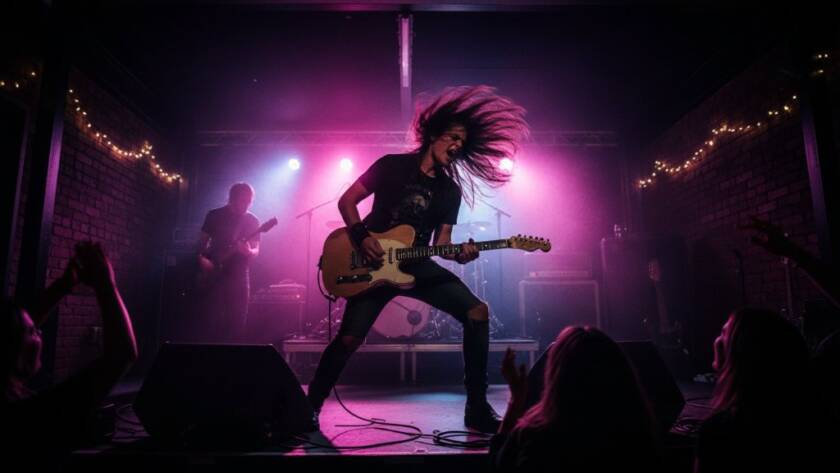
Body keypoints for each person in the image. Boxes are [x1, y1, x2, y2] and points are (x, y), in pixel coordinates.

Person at [307, 85, 529, 432]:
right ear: (434, 134)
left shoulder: (449, 190)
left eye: (462, 143)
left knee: (477, 311)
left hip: (416, 264)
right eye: (453, 137)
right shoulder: (391, 166)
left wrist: (462, 255)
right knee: (349, 340)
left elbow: (443, 243)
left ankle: (477, 407)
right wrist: (362, 238)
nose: (457, 146)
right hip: (372, 264)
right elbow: (346, 202)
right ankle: (310, 407)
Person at [1, 242, 137, 467]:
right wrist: (106, 285)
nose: (40, 331)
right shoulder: (31, 417)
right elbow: (122, 355)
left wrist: (64, 285)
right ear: (13, 351)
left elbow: (17, 325)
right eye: (33, 332)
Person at [491, 326, 661, 471]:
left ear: (558, 376)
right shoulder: (637, 436)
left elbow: (499, 466)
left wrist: (516, 401)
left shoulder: (538, 441)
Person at [695, 308, 820, 473]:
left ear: (740, 351)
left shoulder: (718, 433)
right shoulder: (814, 420)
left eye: (724, 334)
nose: (717, 340)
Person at [197, 182, 261, 342]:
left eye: (249, 201)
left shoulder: (252, 221)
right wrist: (202, 260)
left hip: (239, 276)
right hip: (215, 275)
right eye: (243, 200)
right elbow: (200, 245)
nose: (246, 204)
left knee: (237, 323)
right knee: (211, 322)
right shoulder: (214, 215)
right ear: (232, 199)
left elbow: (256, 250)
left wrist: (248, 252)